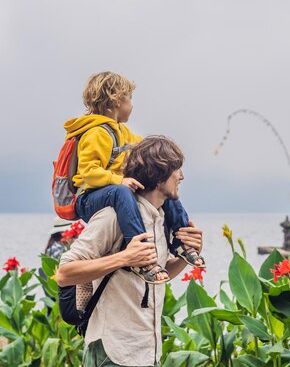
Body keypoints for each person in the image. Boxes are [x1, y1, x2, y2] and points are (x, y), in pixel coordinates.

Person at [56, 136, 203, 367]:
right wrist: (124, 257)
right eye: (176, 169)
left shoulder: (162, 218)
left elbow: (159, 275)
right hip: (111, 353)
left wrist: (187, 255)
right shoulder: (112, 216)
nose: (181, 176)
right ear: (159, 173)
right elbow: (64, 273)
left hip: (147, 353)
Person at [63, 71, 204, 283]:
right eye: (129, 99)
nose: (131, 105)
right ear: (117, 100)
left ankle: (181, 241)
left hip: (114, 192)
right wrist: (119, 180)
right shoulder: (96, 133)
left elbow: (144, 148)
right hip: (90, 196)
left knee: (166, 192)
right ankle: (140, 251)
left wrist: (164, 159)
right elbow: (89, 173)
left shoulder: (121, 131)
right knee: (122, 192)